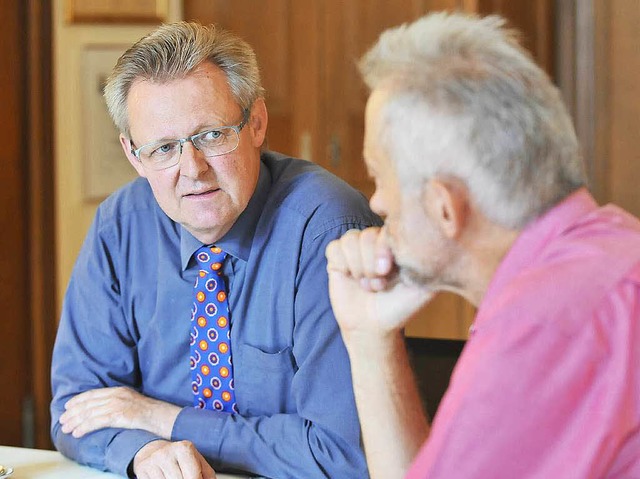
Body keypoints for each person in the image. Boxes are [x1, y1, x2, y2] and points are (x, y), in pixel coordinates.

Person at [50, 21, 378, 479]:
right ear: (134, 155)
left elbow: (344, 453)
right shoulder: (119, 227)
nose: (193, 169)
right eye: (163, 147)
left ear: (256, 122)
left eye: (211, 136)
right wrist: (143, 452)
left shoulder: (327, 227)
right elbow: (75, 410)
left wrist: (161, 419)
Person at [326, 11, 640, 479]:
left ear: (444, 208)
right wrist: (369, 339)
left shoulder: (541, 324)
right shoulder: (614, 248)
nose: (376, 201)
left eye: (378, 175)